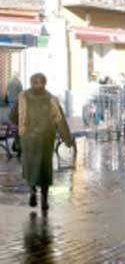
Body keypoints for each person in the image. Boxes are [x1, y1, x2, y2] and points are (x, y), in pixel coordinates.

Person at [9, 73, 74, 211]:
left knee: (30, 166)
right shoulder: (51, 99)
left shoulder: (23, 98)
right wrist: (67, 139)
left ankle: (33, 191)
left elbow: (12, 116)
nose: (38, 85)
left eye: (39, 82)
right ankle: (44, 199)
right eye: (36, 82)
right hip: (46, 138)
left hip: (29, 138)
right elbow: (60, 120)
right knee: (45, 169)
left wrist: (22, 126)